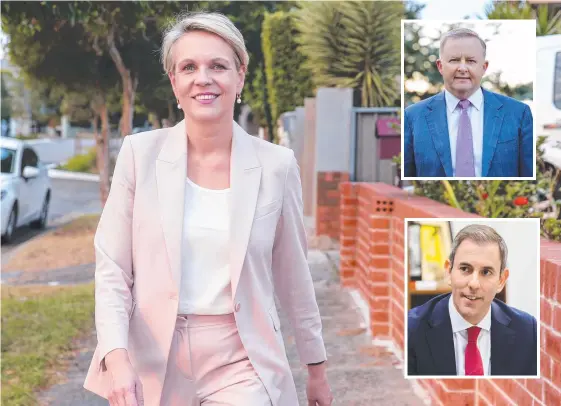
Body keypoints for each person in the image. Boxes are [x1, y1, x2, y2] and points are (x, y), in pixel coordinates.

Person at [83, 11, 333, 406]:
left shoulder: (277, 165)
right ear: (174, 81)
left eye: (218, 65)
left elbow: (294, 276)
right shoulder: (138, 155)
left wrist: (315, 367)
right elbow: (113, 268)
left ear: (240, 76)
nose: (204, 78)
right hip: (155, 358)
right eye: (189, 67)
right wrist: (116, 359)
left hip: (242, 357)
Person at [408, 224, 537, 376]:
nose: (474, 283)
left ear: (501, 280)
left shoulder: (528, 331)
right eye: (465, 269)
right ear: (448, 272)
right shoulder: (411, 329)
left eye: (486, 272)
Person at [404, 28, 533, 178]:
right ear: (440, 66)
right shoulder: (413, 116)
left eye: (471, 61)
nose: (462, 68)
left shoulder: (518, 113)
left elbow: (528, 178)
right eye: (454, 60)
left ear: (484, 67)